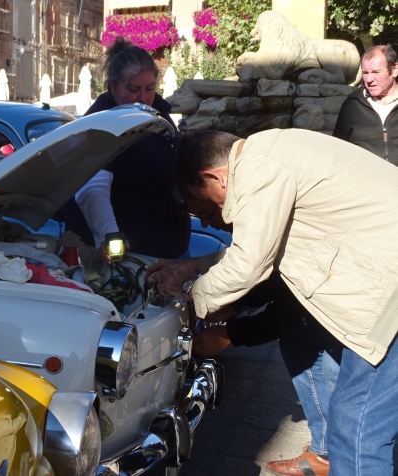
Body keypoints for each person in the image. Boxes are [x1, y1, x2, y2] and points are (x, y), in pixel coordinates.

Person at [155, 128, 398, 475]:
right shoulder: (271, 154)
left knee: (357, 425)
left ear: (214, 178)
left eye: (212, 207)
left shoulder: (258, 167)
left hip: (388, 290)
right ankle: (331, 455)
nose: (221, 220)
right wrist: (195, 268)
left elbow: (250, 263)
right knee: (326, 375)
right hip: (382, 277)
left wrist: (192, 305)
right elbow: (271, 254)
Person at [163, 194, 338, 476]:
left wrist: (232, 333)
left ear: (220, 186)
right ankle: (328, 449)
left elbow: (294, 305)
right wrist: (236, 306)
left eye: (208, 212)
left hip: (361, 304)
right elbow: (278, 278)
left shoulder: (264, 209)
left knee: (321, 362)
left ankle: (328, 455)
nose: (207, 223)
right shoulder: (266, 208)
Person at [64, 37, 190, 263]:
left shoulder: (159, 115)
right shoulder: (100, 122)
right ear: (113, 87)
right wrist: (108, 235)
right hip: (125, 256)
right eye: (133, 89)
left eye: (150, 88)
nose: (143, 98)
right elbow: (92, 189)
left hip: (165, 249)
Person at [334, 45, 398, 164]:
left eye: (376, 72)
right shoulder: (352, 105)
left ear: (395, 69)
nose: (369, 79)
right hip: (365, 181)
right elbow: (339, 152)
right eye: (365, 73)